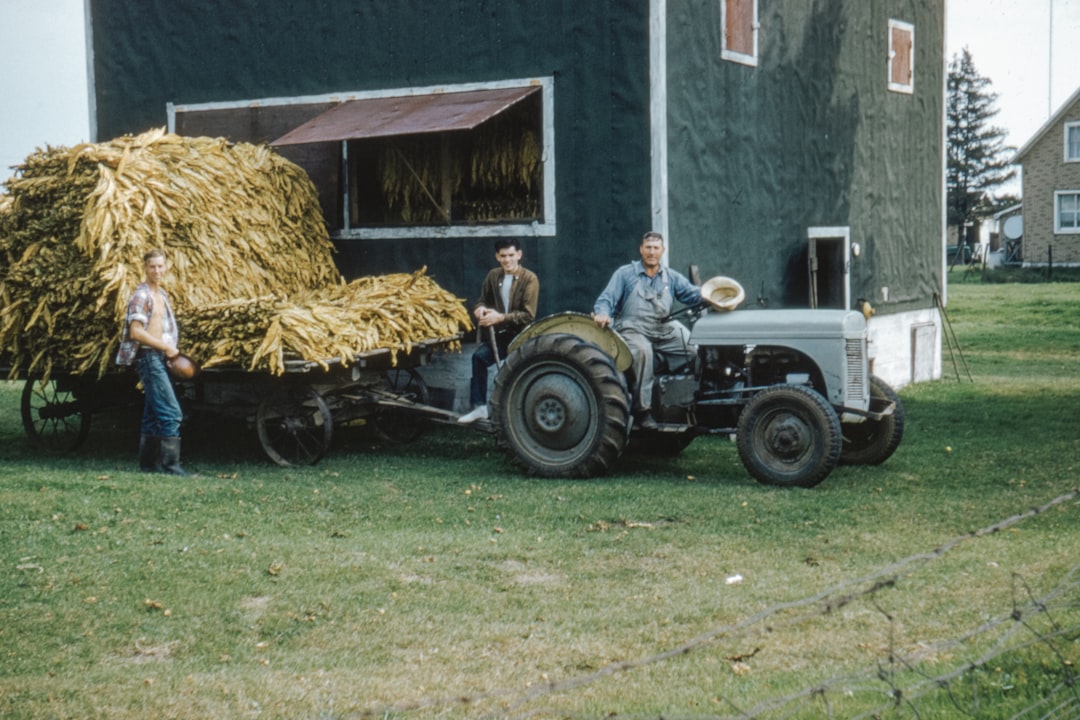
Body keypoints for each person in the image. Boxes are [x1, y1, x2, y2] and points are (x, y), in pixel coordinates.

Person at [592, 231, 701, 430]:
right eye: (648, 248)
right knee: (642, 352)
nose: (652, 252)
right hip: (632, 327)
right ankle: (642, 411)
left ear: (662, 251)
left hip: (662, 327)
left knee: (693, 348)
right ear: (641, 250)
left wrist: (715, 294)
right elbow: (605, 301)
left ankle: (672, 397)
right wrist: (602, 314)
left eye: (656, 248)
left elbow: (694, 295)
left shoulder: (671, 277)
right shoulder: (625, 274)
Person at [115, 248, 193, 475]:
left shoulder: (162, 295)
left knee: (152, 413)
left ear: (166, 267)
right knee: (171, 412)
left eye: (160, 266)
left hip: (160, 357)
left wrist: (169, 348)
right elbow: (136, 333)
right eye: (152, 266)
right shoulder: (142, 296)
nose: (157, 270)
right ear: (145, 268)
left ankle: (149, 466)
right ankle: (171, 466)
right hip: (149, 357)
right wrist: (165, 346)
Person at [458, 238, 540, 424]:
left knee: (513, 372)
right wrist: (479, 310)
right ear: (497, 257)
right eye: (503, 256)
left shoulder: (530, 279)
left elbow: (528, 316)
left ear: (519, 255)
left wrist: (500, 317)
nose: (507, 260)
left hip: (522, 336)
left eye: (511, 255)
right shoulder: (493, 276)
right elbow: (481, 300)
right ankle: (479, 407)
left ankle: (519, 415)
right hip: (501, 336)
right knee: (479, 358)